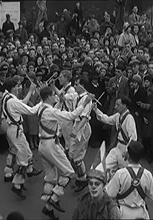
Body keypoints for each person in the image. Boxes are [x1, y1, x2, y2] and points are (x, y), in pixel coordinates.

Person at [37, 86, 93, 217]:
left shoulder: (41, 107)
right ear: (48, 97)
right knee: (69, 172)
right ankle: (53, 199)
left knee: (50, 177)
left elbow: (55, 109)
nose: (55, 96)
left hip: (42, 145)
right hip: (51, 145)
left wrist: (61, 101)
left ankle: (48, 207)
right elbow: (71, 115)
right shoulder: (49, 111)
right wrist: (84, 104)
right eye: (53, 95)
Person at [1, 78, 42, 199]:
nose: (19, 88)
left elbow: (22, 102)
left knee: (23, 151)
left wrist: (30, 91)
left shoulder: (6, 97)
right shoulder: (12, 101)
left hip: (11, 129)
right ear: (13, 88)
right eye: (17, 86)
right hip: (15, 130)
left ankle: (23, 173)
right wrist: (43, 102)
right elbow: (30, 110)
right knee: (23, 156)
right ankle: (17, 184)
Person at [106, 141, 153, 219]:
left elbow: (110, 194)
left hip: (123, 213)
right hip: (141, 214)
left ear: (128, 155)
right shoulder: (148, 174)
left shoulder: (120, 174)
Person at [93, 96, 137, 180]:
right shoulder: (117, 116)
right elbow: (107, 119)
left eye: (118, 104)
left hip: (125, 150)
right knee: (103, 167)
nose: (115, 106)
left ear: (124, 105)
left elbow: (133, 137)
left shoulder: (129, 118)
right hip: (117, 147)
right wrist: (96, 110)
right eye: (115, 104)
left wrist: (128, 151)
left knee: (126, 175)